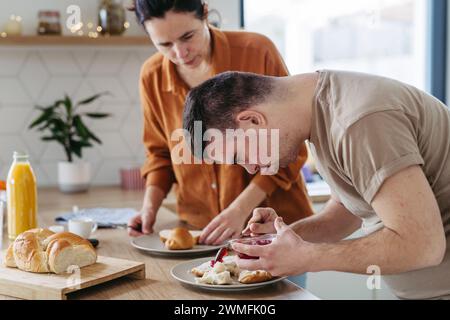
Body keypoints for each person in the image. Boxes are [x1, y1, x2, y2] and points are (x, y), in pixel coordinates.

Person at [183, 70, 450, 299]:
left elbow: (423, 245)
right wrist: (281, 240)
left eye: (238, 156)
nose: (250, 168)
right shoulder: (322, 114)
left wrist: (308, 257)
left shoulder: (357, 122)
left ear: (252, 119)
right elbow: (346, 213)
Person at [126, 0, 313, 247]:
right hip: (200, 233)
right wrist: (149, 208)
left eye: (187, 36)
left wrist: (240, 209)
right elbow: (160, 154)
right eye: (165, 44)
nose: (180, 53)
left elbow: (292, 143)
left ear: (204, 13)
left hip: (275, 229)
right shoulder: (151, 76)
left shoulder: (256, 51)